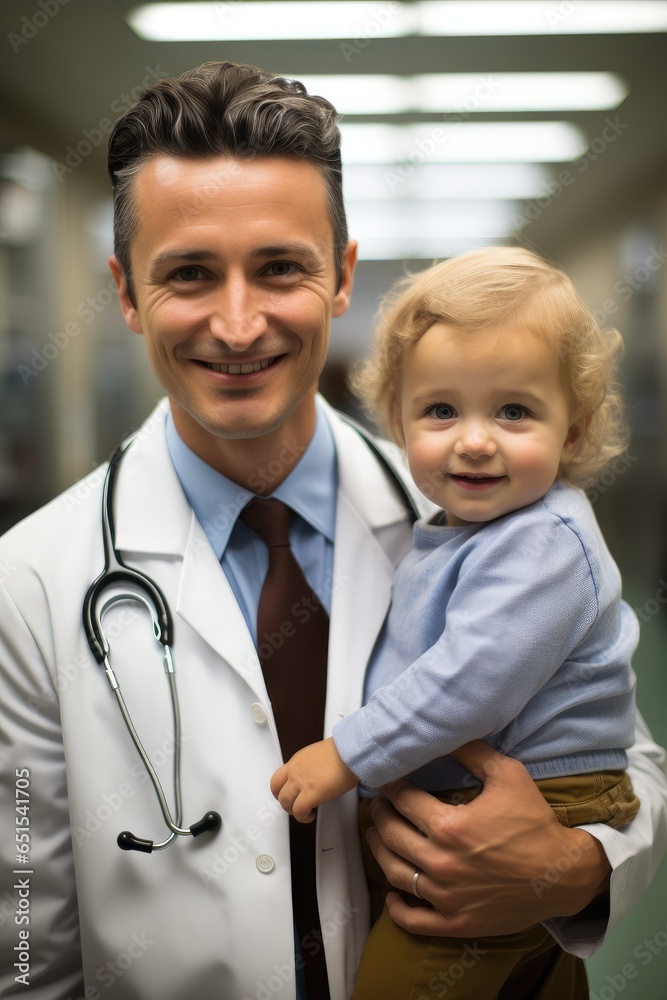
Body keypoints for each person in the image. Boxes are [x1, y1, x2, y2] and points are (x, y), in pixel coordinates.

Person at [0, 62, 665, 1000]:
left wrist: (570, 869)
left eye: (280, 267)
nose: (238, 325)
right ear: (125, 292)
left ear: (343, 276)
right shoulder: (30, 581)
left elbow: (623, 758)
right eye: (189, 273)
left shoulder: (481, 515)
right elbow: (28, 947)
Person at [271, 246, 642, 997]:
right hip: (468, 803)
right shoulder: (459, 527)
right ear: (398, 420)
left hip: (542, 798)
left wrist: (347, 754)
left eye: (513, 410)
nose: (474, 439)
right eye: (441, 410)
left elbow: (469, 678)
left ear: (572, 429)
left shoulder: (543, 538)